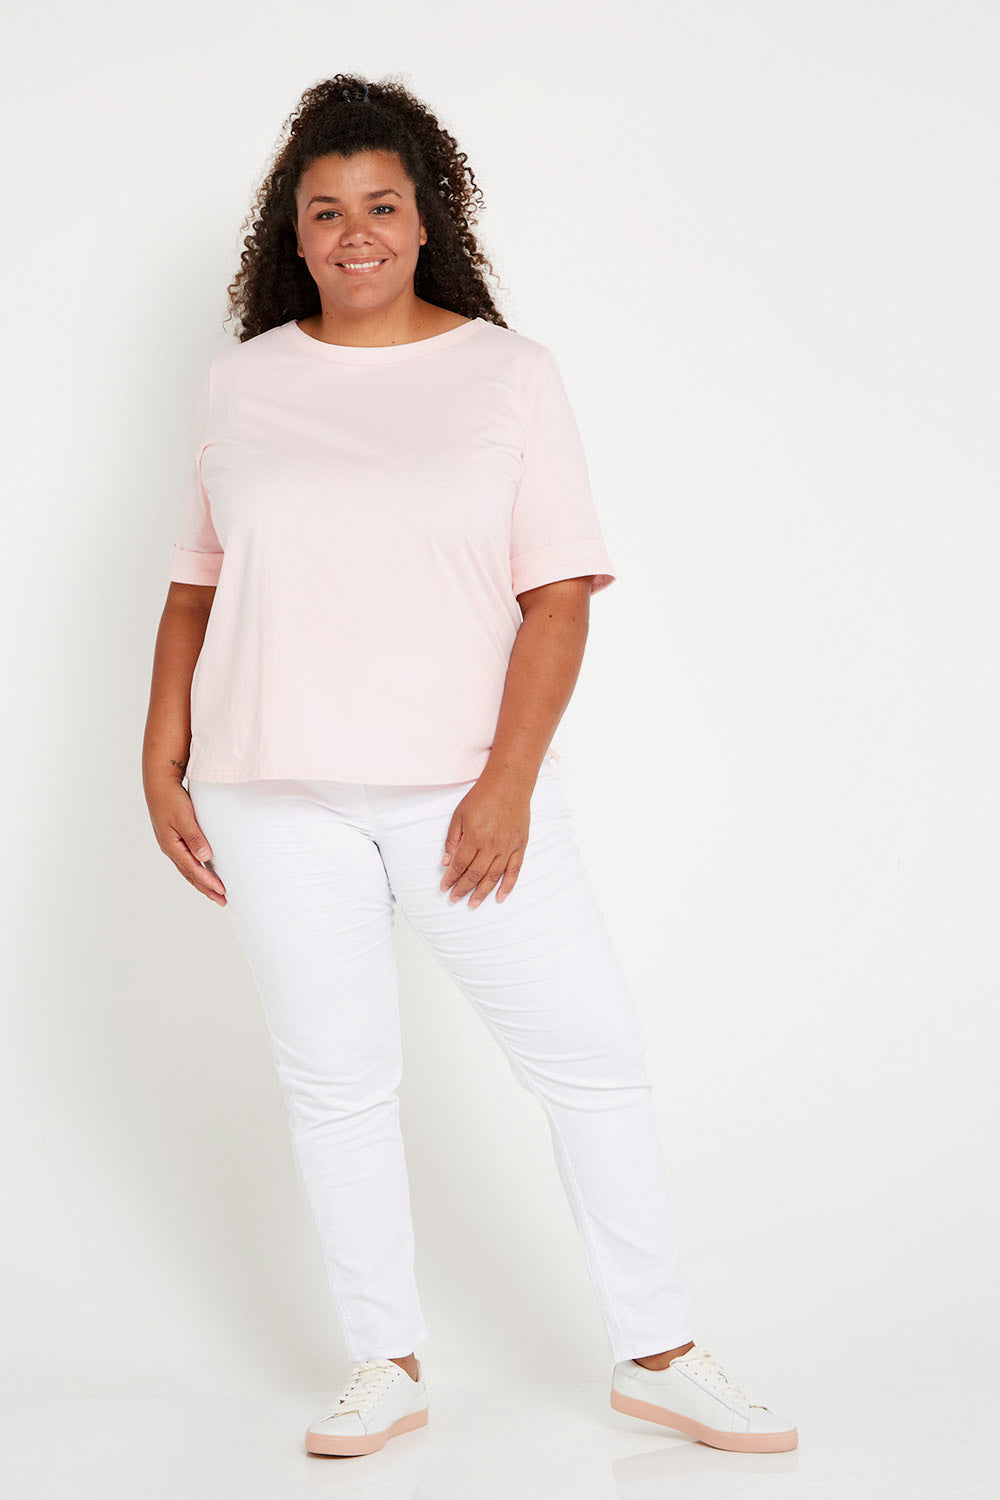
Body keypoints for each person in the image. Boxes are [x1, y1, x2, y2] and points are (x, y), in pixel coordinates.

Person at [142, 72, 798, 1459]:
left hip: (455, 788)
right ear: (294, 234)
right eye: (327, 211)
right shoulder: (243, 382)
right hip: (270, 787)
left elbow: (558, 595)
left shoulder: (509, 373)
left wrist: (506, 783)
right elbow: (197, 585)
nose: (356, 233)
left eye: (381, 205)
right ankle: (383, 1362)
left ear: (425, 219)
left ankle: (659, 1353)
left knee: (591, 1057)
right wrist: (161, 752)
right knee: (337, 1079)